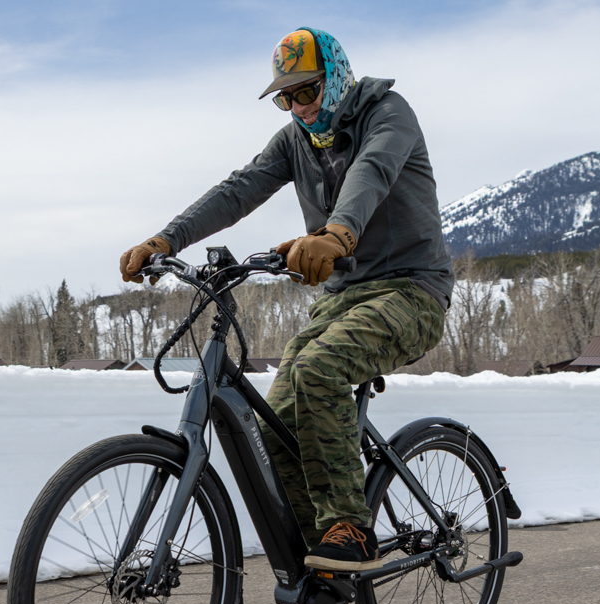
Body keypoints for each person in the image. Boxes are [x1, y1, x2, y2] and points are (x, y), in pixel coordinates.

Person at [118, 27, 453, 571]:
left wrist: (336, 234)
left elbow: (371, 173)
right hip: (343, 298)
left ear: (336, 78)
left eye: (307, 91)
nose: (299, 107)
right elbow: (239, 189)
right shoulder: (295, 140)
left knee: (319, 369)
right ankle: (319, 556)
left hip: (411, 291)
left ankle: (350, 529)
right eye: (286, 98)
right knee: (274, 424)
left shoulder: (389, 114)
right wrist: (166, 239)